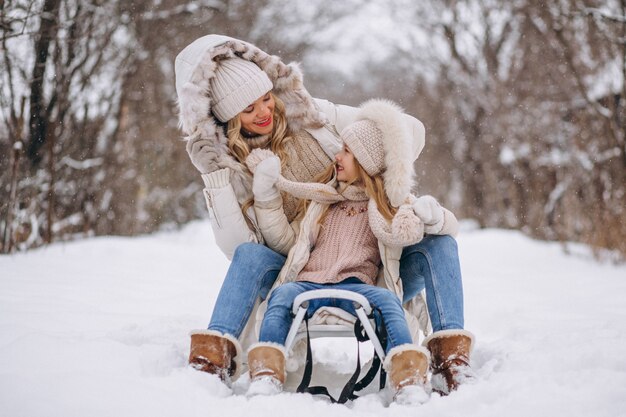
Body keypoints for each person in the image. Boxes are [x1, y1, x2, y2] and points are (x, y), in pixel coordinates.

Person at [176, 34, 472, 395]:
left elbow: (411, 133)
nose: (264, 112)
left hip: (375, 263)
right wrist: (223, 180)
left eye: (266, 98)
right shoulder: (228, 166)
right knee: (248, 255)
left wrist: (382, 176)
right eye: (249, 109)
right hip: (296, 266)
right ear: (229, 119)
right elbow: (238, 248)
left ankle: (450, 362)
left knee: (440, 244)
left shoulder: (316, 116)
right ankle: (212, 361)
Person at [242, 99, 470, 403]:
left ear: (366, 161)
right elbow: (291, 242)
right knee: (280, 298)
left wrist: (432, 216)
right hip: (308, 282)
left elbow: (441, 228)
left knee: (389, 301)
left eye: (347, 151)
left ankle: (408, 376)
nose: (337, 156)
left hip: (358, 286)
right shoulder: (321, 200)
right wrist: (268, 193)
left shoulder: (388, 205)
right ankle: (267, 372)